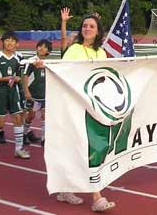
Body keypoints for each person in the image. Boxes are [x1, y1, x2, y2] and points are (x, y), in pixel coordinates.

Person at [58, 14, 115, 212]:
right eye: (84, 26)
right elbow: (62, 72)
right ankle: (96, 197)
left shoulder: (100, 52)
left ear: (98, 31)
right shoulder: (74, 50)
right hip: (75, 105)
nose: (87, 28)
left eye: (91, 26)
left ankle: (65, 188)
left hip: (94, 107)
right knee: (84, 149)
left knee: (87, 148)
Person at [0, 31, 30, 159]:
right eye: (7, 40)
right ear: (3, 42)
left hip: (14, 92)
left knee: (18, 119)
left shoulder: (19, 58)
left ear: (16, 44)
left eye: (12, 40)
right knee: (0, 124)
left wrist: (17, 79)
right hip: (0, 92)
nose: (9, 42)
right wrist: (5, 79)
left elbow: (20, 74)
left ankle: (18, 149)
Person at [23, 39, 52, 147]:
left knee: (45, 116)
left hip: (44, 94)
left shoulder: (48, 63)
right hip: (33, 95)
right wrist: (26, 91)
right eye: (40, 46)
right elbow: (25, 76)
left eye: (44, 47)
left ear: (48, 52)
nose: (41, 48)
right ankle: (25, 133)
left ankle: (44, 139)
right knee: (31, 115)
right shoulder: (32, 61)